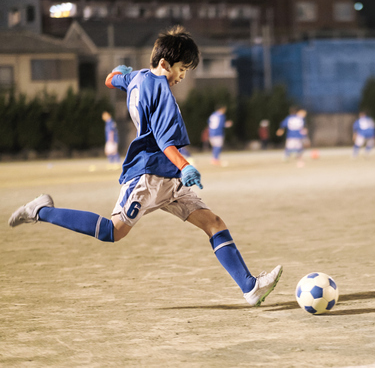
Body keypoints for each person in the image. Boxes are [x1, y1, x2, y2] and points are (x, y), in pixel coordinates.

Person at [8, 26, 282, 307]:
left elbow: (110, 79)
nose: (182, 76)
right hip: (148, 177)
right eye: (181, 69)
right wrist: (185, 166)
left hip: (169, 179)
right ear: (164, 64)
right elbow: (166, 142)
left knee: (213, 223)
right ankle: (41, 210)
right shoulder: (162, 91)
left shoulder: (137, 77)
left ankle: (250, 288)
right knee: (112, 231)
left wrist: (119, 72)